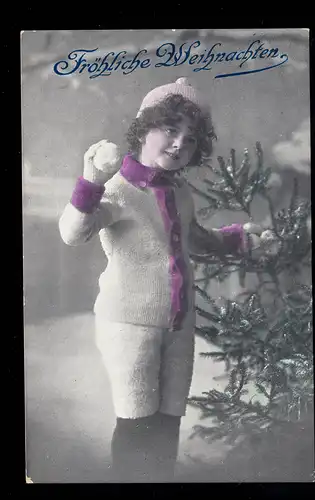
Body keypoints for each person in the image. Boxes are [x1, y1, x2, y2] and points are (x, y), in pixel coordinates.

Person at [59, 77, 261, 482]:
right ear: (143, 128)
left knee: (168, 424)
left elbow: (198, 240)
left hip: (179, 326)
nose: (178, 144)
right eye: (170, 129)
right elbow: (72, 233)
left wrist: (242, 239)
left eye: (189, 139)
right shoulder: (116, 190)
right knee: (137, 425)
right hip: (129, 325)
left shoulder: (180, 192)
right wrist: (90, 182)